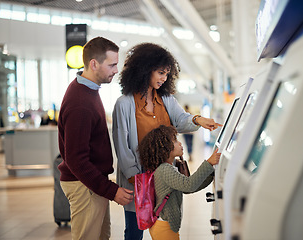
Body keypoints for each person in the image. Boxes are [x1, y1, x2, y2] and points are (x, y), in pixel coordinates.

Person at [112, 42, 222, 240]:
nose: (164, 78)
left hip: (163, 176)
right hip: (138, 179)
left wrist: (199, 120)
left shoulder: (166, 99)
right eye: (160, 72)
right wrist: (137, 179)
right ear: (145, 69)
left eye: (167, 74)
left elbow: (181, 120)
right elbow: (122, 146)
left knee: (162, 227)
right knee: (135, 230)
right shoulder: (124, 103)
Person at [58, 36, 133, 240]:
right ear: (94, 63)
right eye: (112, 65)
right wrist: (111, 190)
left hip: (91, 184)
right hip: (84, 185)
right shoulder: (80, 102)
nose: (116, 70)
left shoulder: (88, 90)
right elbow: (76, 159)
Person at [138, 125, 221, 239]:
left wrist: (210, 175)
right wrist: (209, 163)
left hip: (164, 226)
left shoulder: (168, 166)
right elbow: (189, 185)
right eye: (176, 141)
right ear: (165, 148)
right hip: (164, 227)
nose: (180, 143)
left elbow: (187, 187)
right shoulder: (165, 169)